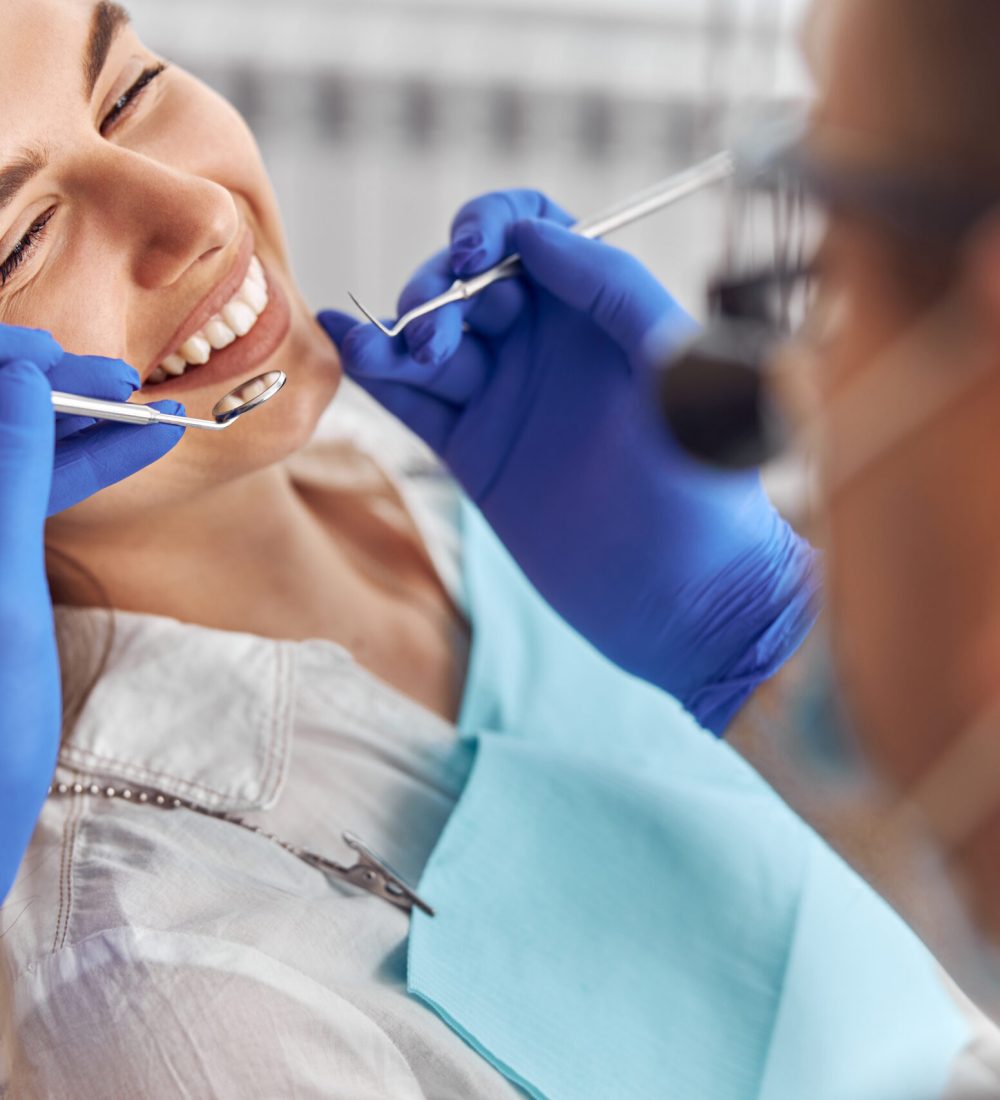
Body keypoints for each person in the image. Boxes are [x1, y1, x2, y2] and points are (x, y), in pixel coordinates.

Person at [1, 0, 997, 1097]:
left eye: (130, 90)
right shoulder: (159, 990)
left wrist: (770, 648)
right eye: (23, 238)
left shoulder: (440, 459)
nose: (195, 212)